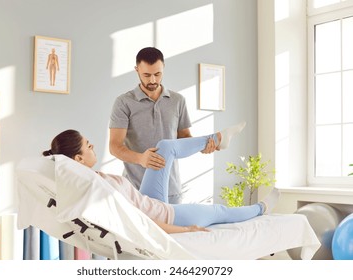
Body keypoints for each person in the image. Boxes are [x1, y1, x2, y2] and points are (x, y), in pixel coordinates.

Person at [42, 123, 280, 234]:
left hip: (148, 200)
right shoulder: (98, 188)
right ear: (78, 159)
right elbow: (139, 223)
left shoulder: (92, 178)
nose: (93, 146)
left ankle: (217, 139)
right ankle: (261, 208)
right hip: (164, 214)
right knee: (219, 212)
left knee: (165, 147)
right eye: (88, 145)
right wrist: (185, 229)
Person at [109, 47, 216, 204]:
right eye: (146, 75)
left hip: (171, 190)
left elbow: (184, 138)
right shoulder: (123, 102)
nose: (152, 80)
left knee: (171, 229)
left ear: (163, 69)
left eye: (157, 74)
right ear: (136, 70)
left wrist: (202, 147)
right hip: (134, 191)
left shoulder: (178, 100)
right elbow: (115, 146)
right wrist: (141, 159)